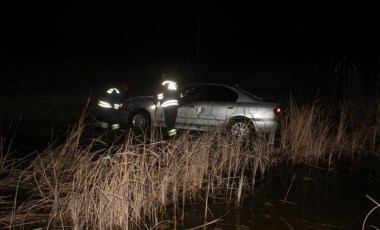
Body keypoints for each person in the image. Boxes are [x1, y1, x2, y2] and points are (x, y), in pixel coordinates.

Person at [157, 73, 179, 139]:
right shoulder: (174, 83)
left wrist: (160, 102)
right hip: (175, 105)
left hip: (168, 105)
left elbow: (160, 94)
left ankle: (172, 137)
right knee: (172, 122)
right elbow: (179, 93)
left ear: (163, 76)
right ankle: (172, 136)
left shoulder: (163, 83)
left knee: (168, 122)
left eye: (162, 75)